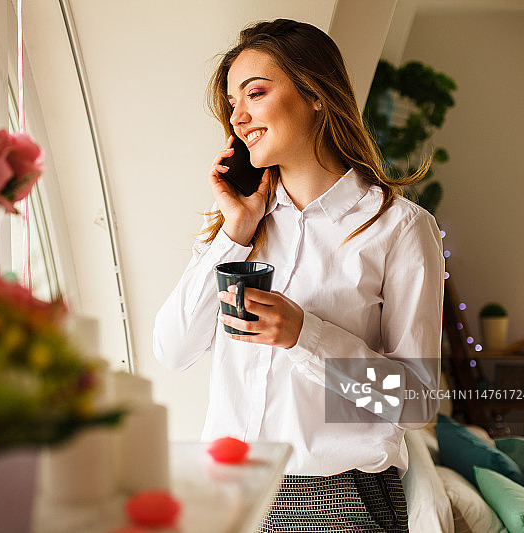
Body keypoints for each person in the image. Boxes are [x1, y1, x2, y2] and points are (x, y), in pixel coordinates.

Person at [153, 19, 444, 532]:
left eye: (256, 93)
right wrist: (235, 234)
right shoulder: (241, 224)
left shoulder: (399, 228)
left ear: (314, 94)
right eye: (232, 102)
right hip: (227, 495)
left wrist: (304, 336)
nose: (238, 117)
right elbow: (173, 350)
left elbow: (417, 403)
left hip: (338, 504)